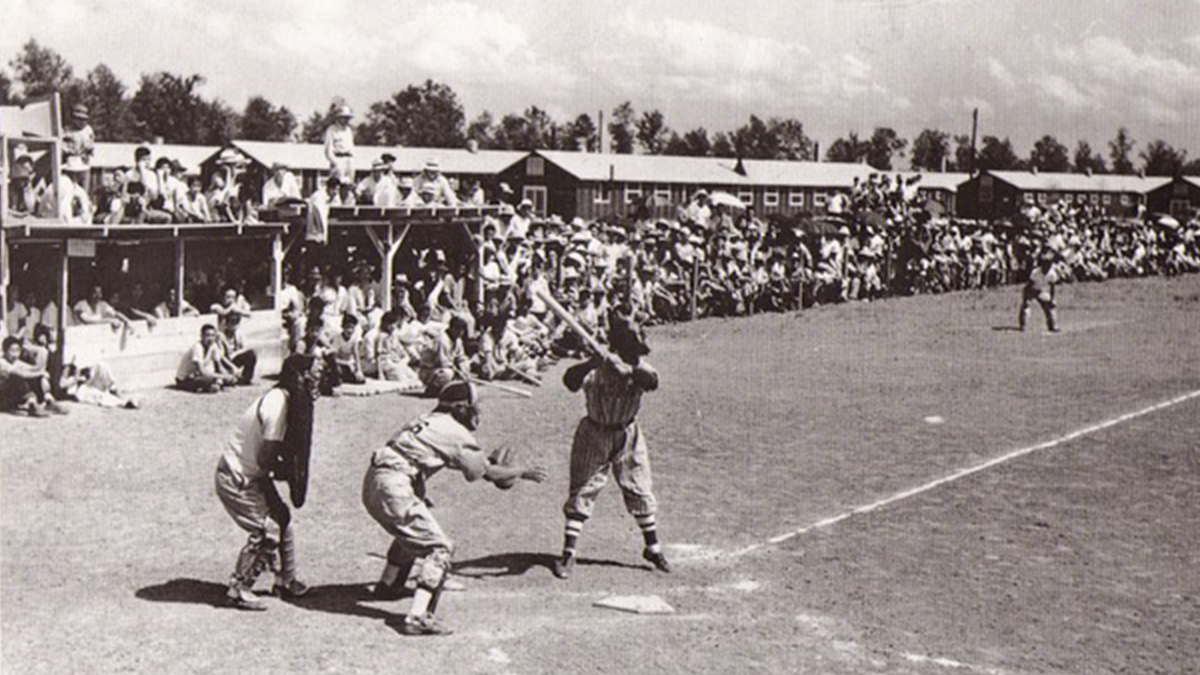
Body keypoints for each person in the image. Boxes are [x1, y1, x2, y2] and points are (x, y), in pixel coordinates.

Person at [361, 381, 547, 635]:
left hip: (376, 481)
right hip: (393, 486)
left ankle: (388, 584)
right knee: (440, 547)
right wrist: (522, 471)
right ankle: (417, 617)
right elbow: (486, 473)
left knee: (413, 532)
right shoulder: (453, 430)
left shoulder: (428, 419)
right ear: (460, 408)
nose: (476, 412)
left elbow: (451, 462)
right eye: (472, 407)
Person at [553, 313, 669, 579]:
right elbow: (569, 381)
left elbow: (650, 382)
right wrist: (593, 362)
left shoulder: (642, 366)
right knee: (583, 489)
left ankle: (652, 547)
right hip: (594, 433)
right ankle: (568, 553)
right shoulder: (597, 366)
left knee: (639, 486)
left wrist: (625, 369)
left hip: (628, 434)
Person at [215, 353, 323, 610]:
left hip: (252, 474)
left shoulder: (288, 398)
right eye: (313, 373)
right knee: (267, 530)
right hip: (237, 476)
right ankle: (238, 589)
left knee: (282, 517)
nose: (317, 378)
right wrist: (287, 470)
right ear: (299, 376)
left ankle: (286, 580)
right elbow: (266, 458)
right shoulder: (278, 403)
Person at [1, 336, 67, 417]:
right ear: (5, 351)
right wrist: (40, 373)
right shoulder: (2, 362)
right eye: (12, 351)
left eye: (17, 350)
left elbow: (33, 369)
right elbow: (21, 374)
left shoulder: (16, 362)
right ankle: (31, 404)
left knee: (39, 377)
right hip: (4, 396)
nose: (15, 354)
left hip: (15, 394)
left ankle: (49, 401)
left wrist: (42, 374)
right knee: (17, 378)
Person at [176, 324, 238, 392]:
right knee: (211, 379)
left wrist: (228, 376)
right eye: (207, 335)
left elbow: (219, 366)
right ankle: (214, 385)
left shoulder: (213, 346)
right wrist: (223, 377)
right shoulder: (197, 347)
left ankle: (215, 385)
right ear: (202, 336)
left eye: (212, 336)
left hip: (198, 376)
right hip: (185, 379)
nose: (210, 338)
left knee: (225, 378)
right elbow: (202, 371)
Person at [1019, 249, 1061, 333]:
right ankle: (1023, 325)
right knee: (1026, 306)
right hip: (1031, 290)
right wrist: (1026, 297)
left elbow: (1052, 287)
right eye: (1045, 264)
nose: (1047, 267)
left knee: (1049, 307)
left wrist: (1052, 299)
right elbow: (1029, 285)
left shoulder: (1052, 274)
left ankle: (1052, 325)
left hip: (1041, 290)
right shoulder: (1036, 272)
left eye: (1048, 264)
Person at [323, 103, 356, 185]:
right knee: (337, 184)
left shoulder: (348, 130)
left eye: (347, 118)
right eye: (344, 118)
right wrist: (335, 163)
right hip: (338, 158)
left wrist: (352, 159)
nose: (346, 120)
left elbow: (351, 146)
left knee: (349, 184)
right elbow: (328, 151)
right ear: (338, 118)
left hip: (349, 159)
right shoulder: (331, 130)